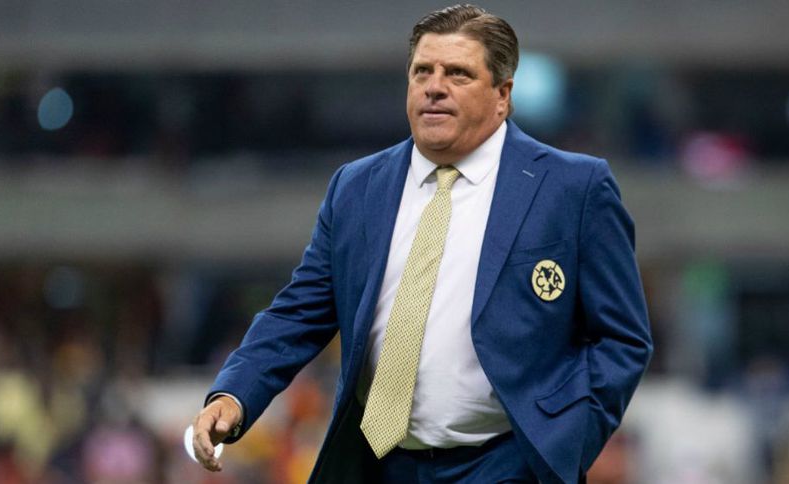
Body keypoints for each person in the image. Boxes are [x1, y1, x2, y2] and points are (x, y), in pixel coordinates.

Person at [192, 4, 652, 483]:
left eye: (457, 73)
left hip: (505, 465)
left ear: (502, 95)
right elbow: (299, 312)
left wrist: (568, 440)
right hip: (379, 465)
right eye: (422, 72)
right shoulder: (356, 187)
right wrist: (234, 395)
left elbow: (622, 338)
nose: (434, 86)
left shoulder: (573, 188)